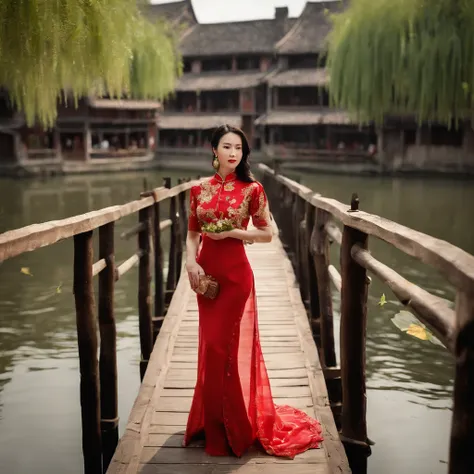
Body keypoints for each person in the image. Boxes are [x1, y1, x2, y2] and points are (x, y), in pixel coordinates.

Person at [183, 124, 323, 458]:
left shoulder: (253, 189)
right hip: (206, 278)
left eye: (239, 148)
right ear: (213, 150)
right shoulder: (198, 190)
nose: (233, 153)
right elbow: (191, 233)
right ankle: (212, 421)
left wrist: (233, 233)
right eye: (227, 146)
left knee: (223, 348)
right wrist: (191, 262)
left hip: (235, 277)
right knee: (211, 348)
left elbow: (267, 234)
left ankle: (230, 427)